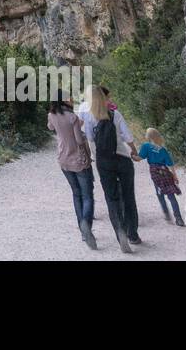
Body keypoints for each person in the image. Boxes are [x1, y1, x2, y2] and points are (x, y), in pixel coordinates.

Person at [78, 85, 142, 252]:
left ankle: (120, 231)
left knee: (111, 198)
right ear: (103, 97)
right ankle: (133, 234)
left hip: (104, 162)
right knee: (128, 196)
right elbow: (128, 137)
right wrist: (134, 151)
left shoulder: (90, 117)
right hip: (122, 159)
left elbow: (90, 139)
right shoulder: (115, 114)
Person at [47, 92, 96, 249]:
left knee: (76, 194)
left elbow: (50, 127)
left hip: (63, 159)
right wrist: (80, 129)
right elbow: (79, 140)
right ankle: (85, 224)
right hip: (78, 159)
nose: (72, 99)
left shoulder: (51, 115)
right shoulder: (72, 117)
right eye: (69, 97)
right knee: (87, 195)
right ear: (64, 100)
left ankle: (83, 232)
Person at [139, 128, 185, 226]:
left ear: (148, 136)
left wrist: (132, 156)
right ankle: (178, 218)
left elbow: (140, 157)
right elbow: (170, 164)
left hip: (155, 172)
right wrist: (175, 176)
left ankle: (166, 213)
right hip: (165, 172)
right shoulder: (163, 149)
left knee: (160, 193)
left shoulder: (146, 146)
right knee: (171, 195)